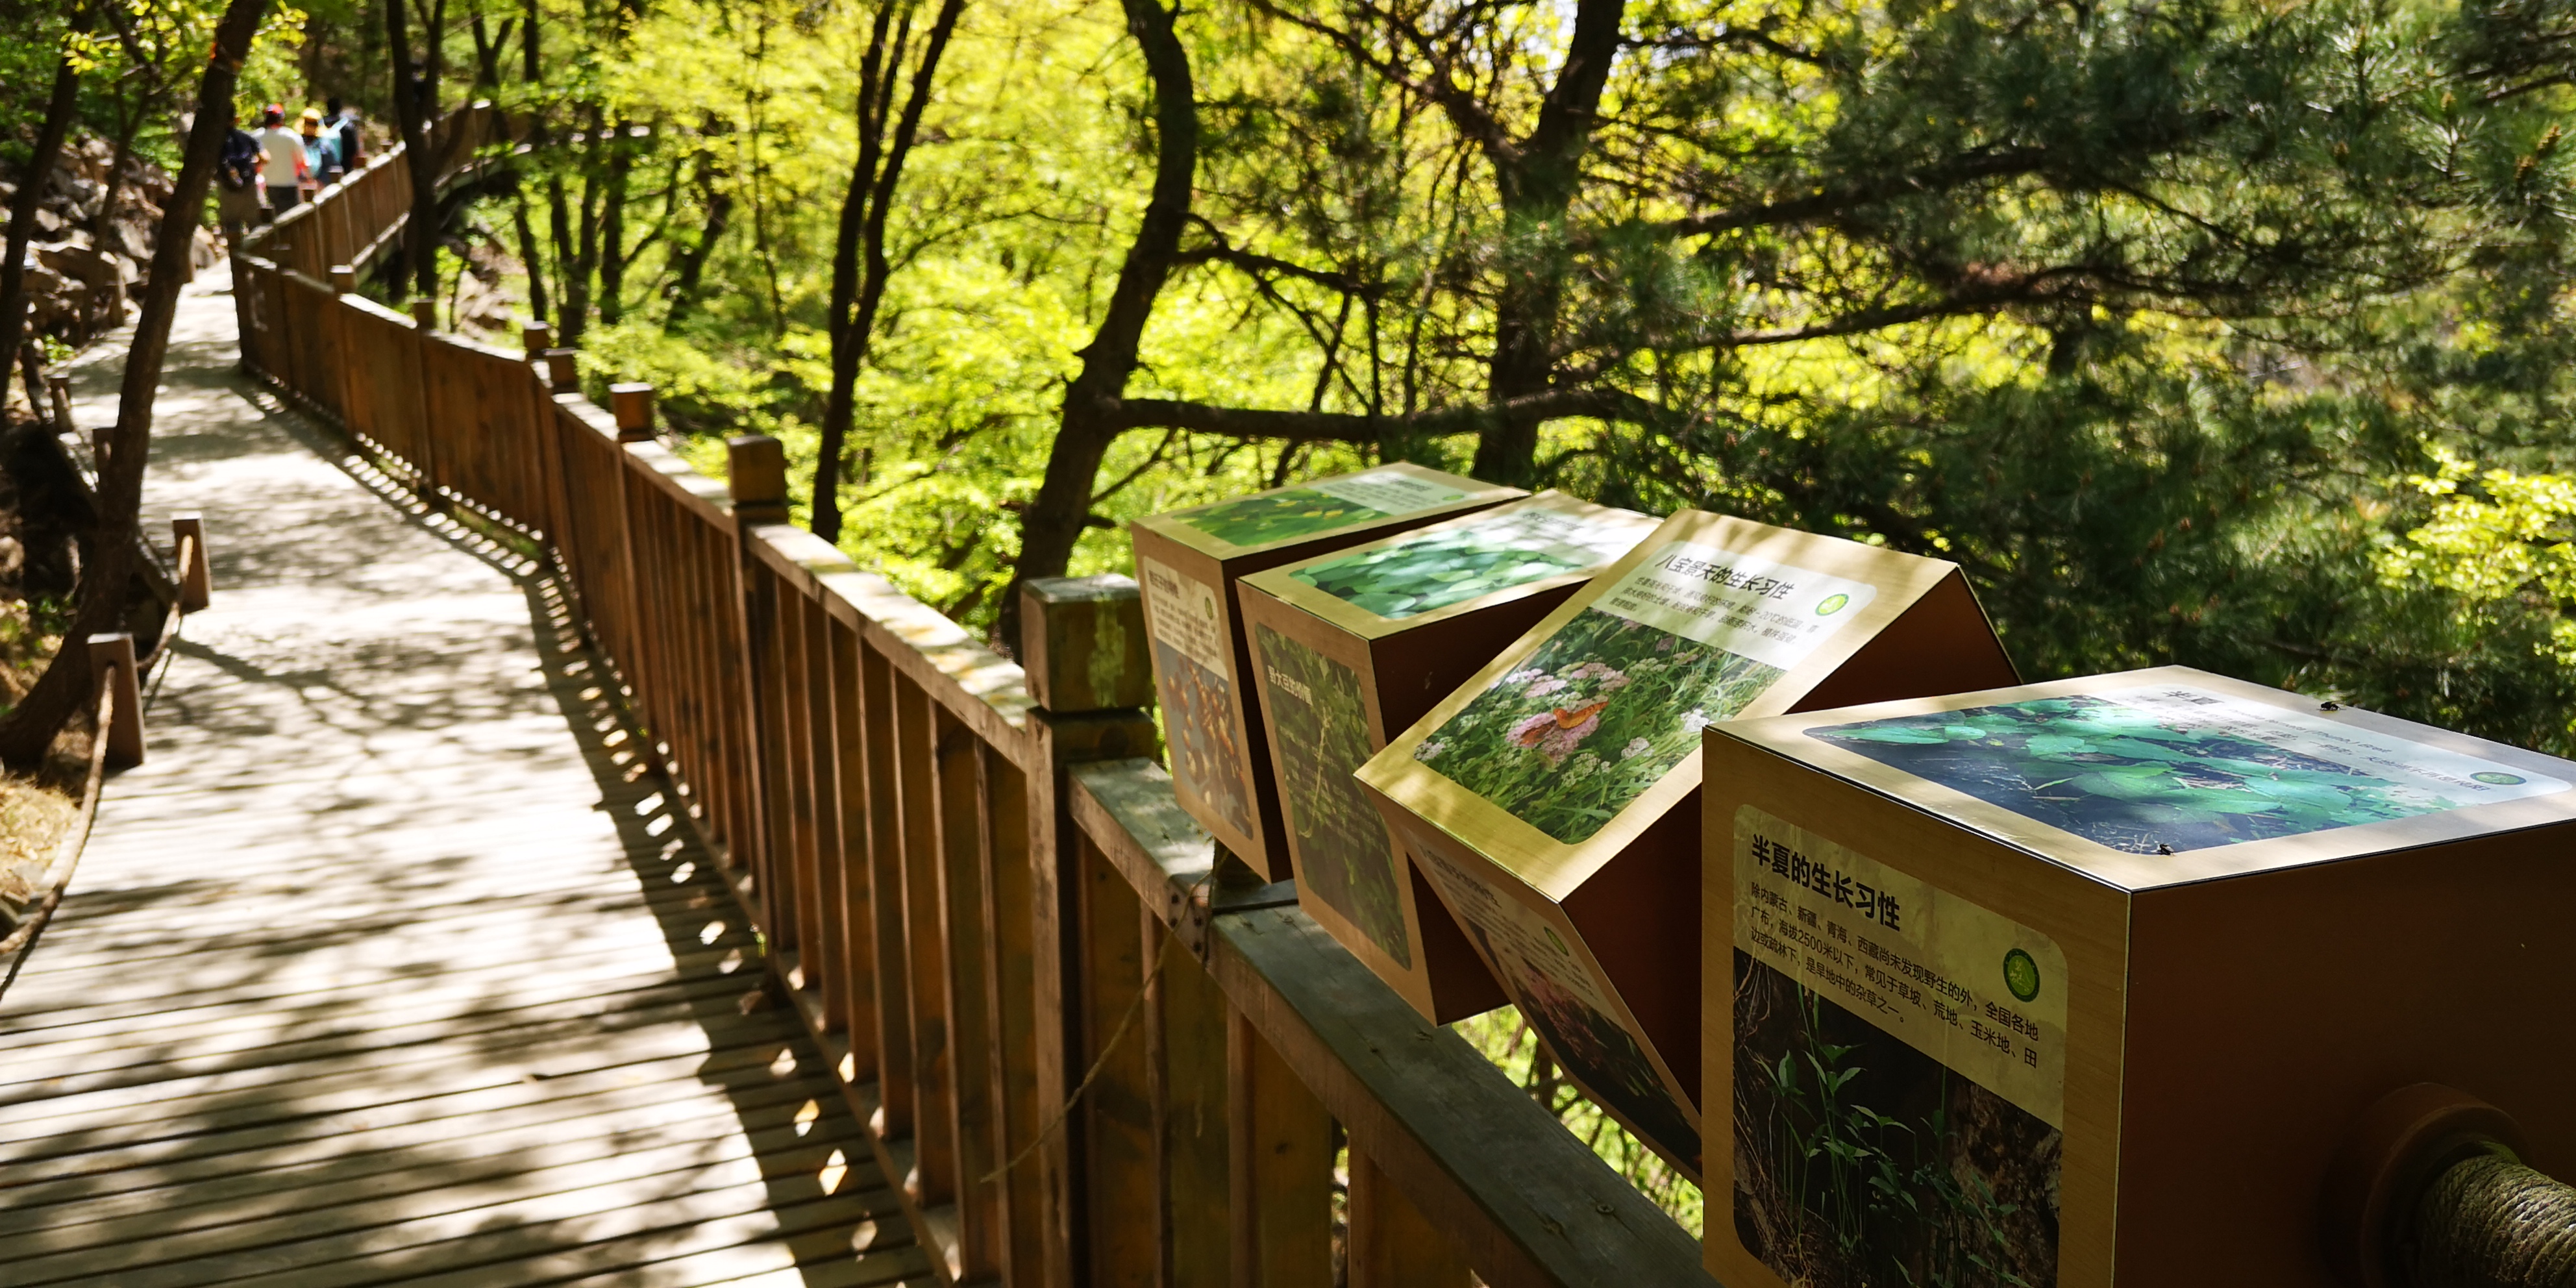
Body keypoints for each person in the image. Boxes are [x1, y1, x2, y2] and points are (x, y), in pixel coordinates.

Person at [216, 105, 266, 242]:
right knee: (256, 227)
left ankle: (236, 260)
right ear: (236, 119)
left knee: (232, 228)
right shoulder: (246, 137)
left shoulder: (214, 141)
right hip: (250, 188)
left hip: (227, 190)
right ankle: (257, 257)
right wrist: (255, 165)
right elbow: (265, 158)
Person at [254, 105, 306, 214]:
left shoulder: (256, 137)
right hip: (289, 184)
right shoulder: (292, 137)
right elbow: (302, 161)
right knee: (291, 217)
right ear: (281, 119)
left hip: (266, 186)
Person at [297, 108, 339, 195]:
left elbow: (333, 166)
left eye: (313, 124)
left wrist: (320, 182)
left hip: (321, 188)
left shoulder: (325, 144)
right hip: (301, 187)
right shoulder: (297, 142)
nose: (309, 127)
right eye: (307, 123)